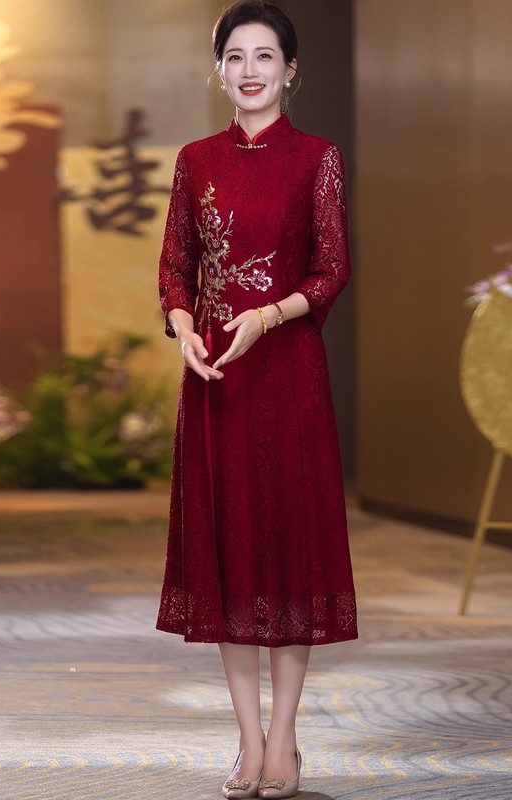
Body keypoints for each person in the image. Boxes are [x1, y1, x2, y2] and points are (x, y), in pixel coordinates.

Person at [156, 2, 357, 797]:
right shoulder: (195, 159)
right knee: (230, 555)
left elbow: (331, 270)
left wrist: (267, 317)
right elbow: (175, 265)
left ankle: (285, 738)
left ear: (290, 69)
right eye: (235, 56)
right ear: (220, 71)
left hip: (289, 372)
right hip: (217, 379)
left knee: (289, 550)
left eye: (264, 56)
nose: (249, 70)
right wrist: (183, 327)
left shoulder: (317, 159)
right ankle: (247, 740)